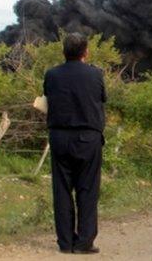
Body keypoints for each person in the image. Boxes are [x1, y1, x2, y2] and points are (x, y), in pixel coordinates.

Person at [44, 32, 106, 254]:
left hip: (59, 138)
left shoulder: (51, 75)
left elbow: (48, 99)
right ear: (85, 52)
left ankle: (66, 243)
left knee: (61, 190)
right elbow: (101, 99)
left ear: (64, 51)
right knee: (88, 190)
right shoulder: (95, 75)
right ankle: (84, 242)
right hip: (88, 138)